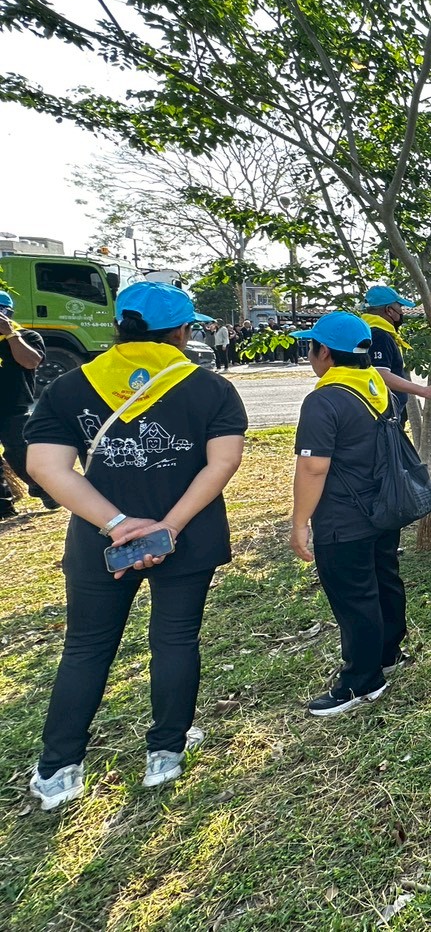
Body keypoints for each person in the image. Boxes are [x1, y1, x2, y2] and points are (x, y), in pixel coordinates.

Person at [22, 282, 247, 809]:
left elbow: (44, 467)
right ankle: (165, 752)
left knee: (86, 648)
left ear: (119, 326)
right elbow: (224, 461)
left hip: (100, 542)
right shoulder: (210, 388)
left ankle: (58, 769)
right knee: (175, 640)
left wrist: (118, 523)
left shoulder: (71, 387)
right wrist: (167, 526)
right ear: (183, 332)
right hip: (186, 539)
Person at [289, 312, 413, 716]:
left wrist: (299, 522)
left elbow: (313, 467)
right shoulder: (378, 387)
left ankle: (362, 680)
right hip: (384, 507)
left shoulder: (324, 399)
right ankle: (388, 653)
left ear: (324, 352)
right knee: (384, 579)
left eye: (311, 347)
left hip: (343, 518)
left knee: (355, 596)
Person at [361, 285, 431, 421]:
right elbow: (380, 374)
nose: (402, 312)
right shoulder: (378, 335)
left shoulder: (368, 331)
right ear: (389, 310)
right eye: (399, 307)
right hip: (383, 413)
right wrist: (424, 391)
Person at [0, 289, 50, 518]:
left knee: (19, 452)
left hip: (13, 406)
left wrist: (10, 334)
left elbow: (31, 362)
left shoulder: (27, 336)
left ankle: (44, 488)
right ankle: (4, 507)